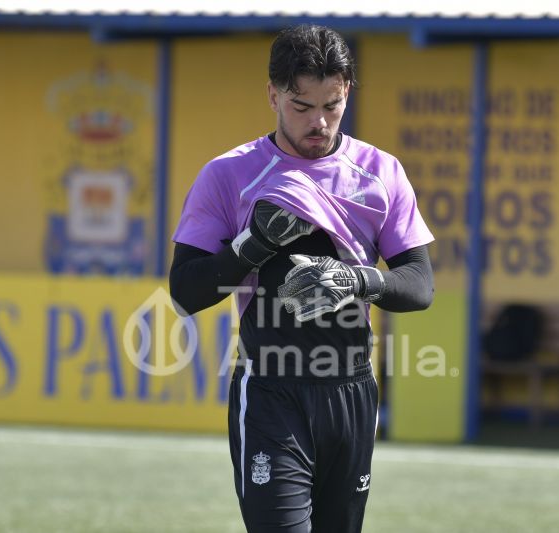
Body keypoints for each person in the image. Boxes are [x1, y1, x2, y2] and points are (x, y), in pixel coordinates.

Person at [169, 24, 434, 533]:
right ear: (272, 94)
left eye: (331, 105)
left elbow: (419, 285)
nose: (319, 122)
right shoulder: (228, 175)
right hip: (271, 392)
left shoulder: (381, 172)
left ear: (347, 92)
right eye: (301, 105)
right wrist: (252, 246)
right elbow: (185, 293)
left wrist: (356, 280)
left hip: (352, 394)